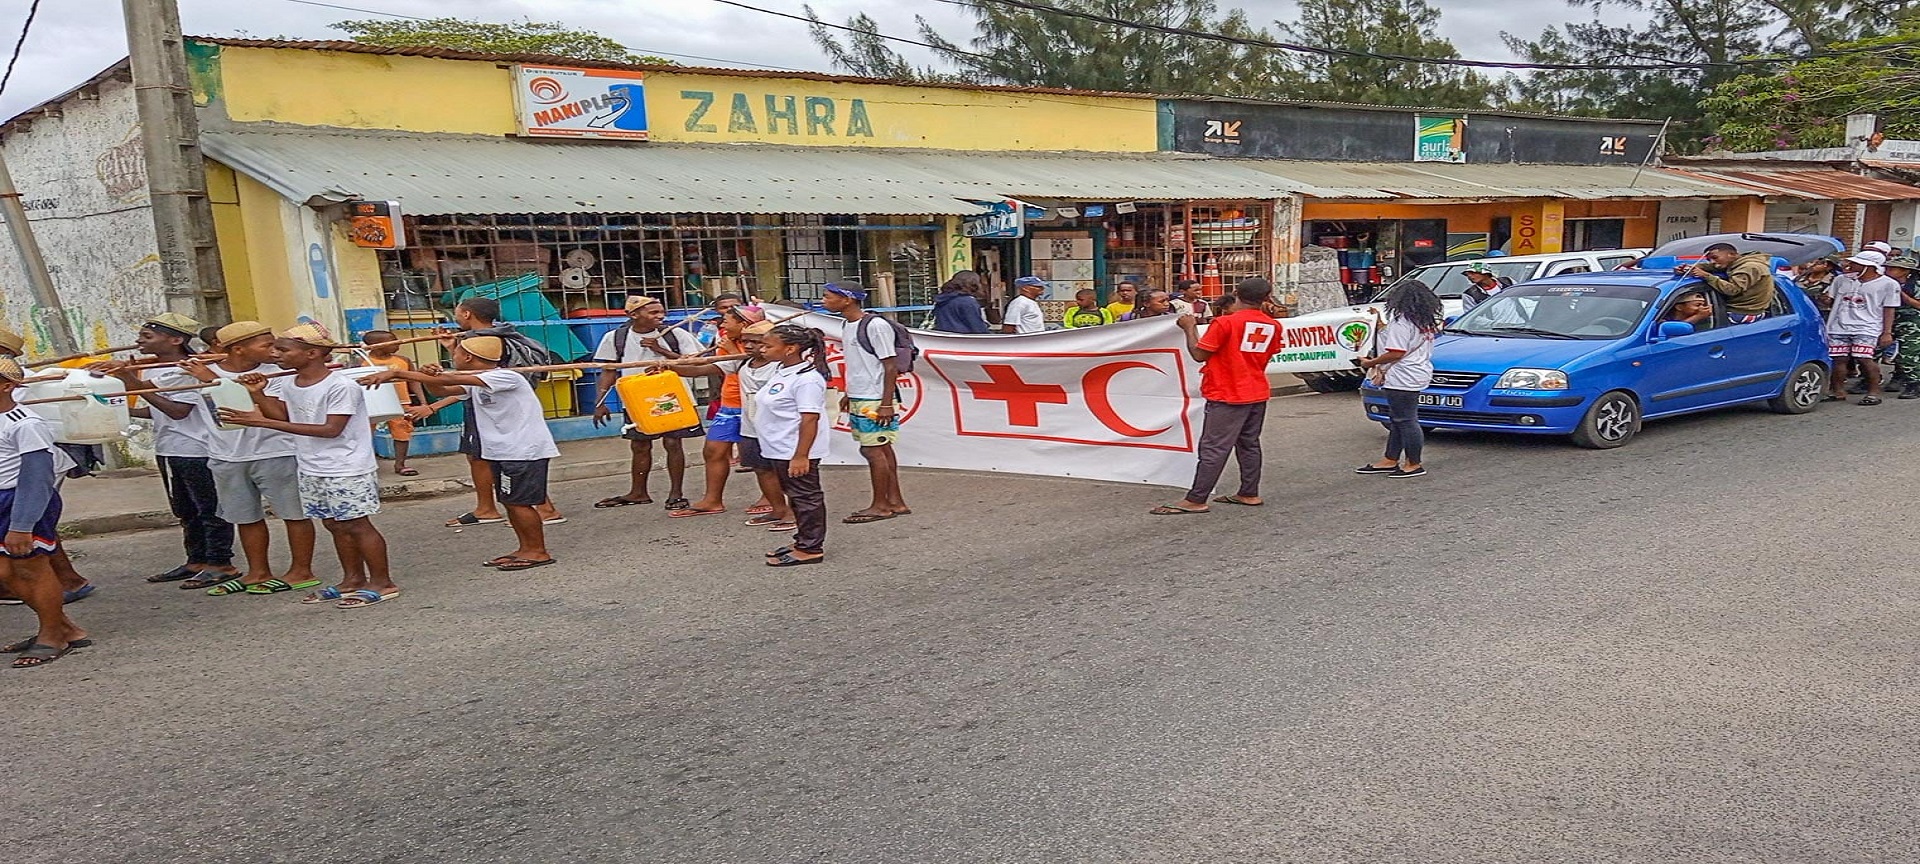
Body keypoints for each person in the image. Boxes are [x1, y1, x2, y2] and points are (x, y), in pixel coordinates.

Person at [218, 324, 397, 608]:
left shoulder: (340, 386)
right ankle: (352, 579)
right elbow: (285, 415)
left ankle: (382, 582)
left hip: (345, 466)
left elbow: (330, 430)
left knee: (357, 524)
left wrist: (262, 422)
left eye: (283, 349)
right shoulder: (291, 383)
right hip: (312, 465)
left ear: (312, 353)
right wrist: (260, 396)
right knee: (333, 524)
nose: (276, 354)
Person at [368, 335, 559, 571]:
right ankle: (525, 548)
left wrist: (397, 373)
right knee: (510, 501)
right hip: (503, 451)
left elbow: (452, 378)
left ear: (468, 357)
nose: (452, 356)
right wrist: (431, 378)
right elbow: (440, 390)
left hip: (522, 450)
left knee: (520, 503)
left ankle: (537, 551)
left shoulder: (505, 376)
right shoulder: (477, 380)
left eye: (455, 352)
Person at [178, 321, 320, 595]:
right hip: (226, 455)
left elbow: (278, 415)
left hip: (275, 451)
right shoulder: (199, 370)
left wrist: (214, 381)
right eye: (266, 345)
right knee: (245, 517)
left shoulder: (278, 373)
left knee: (294, 513)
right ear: (239, 349)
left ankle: (302, 570)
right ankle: (258, 572)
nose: (275, 350)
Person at [107, 313, 233, 586]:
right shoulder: (152, 367)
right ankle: (196, 560)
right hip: (169, 447)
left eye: (148, 336)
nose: (139, 340)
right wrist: (118, 412)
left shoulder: (186, 368)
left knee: (209, 510)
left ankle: (221, 562)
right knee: (185, 510)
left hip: (197, 449)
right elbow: (156, 411)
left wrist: (134, 385)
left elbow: (178, 411)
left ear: (176, 340)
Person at [1152, 277, 1284, 515]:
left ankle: (1196, 498)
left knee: (1214, 447)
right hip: (1256, 390)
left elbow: (1200, 355)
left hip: (1227, 392)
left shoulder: (1225, 323)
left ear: (1235, 293)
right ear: (1266, 298)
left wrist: (1189, 328)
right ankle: (1249, 492)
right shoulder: (1273, 325)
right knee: (1249, 444)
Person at [657, 320, 794, 532]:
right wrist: (670, 368)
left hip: (777, 427)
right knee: (761, 469)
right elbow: (702, 369)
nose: (749, 346)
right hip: (750, 426)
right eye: (745, 341)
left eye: (757, 342)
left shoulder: (782, 366)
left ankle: (793, 513)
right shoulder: (741, 362)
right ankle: (778, 509)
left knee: (785, 471)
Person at [443, 298, 565, 528]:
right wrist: (452, 348)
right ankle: (487, 508)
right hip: (486, 403)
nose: (456, 317)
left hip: (496, 408)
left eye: (457, 313)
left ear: (467, 314)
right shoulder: (503, 335)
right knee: (478, 456)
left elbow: (471, 376)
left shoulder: (484, 341)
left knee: (506, 462)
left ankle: (541, 509)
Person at [0, 357, 89, 667]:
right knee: (6, 574)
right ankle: (65, 627)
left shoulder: (25, 424)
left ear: (8, 385)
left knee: (32, 569)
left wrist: (22, 524)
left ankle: (52, 635)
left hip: (21, 500)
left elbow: (37, 477)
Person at [590, 295, 705, 510]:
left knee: (673, 443)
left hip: (672, 396)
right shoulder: (616, 337)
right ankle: (638, 492)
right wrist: (600, 401)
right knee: (640, 445)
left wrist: (660, 350)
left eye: (661, 312)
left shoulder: (675, 334)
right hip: (637, 399)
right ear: (634, 315)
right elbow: (609, 370)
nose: (660, 316)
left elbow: (695, 362)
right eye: (653, 313)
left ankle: (676, 494)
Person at [820, 282, 910, 523]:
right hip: (863, 395)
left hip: (875, 398)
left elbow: (889, 365)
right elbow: (860, 363)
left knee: (872, 450)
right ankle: (895, 501)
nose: (823, 301)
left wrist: (886, 403)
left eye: (828, 297)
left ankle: (881, 505)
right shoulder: (847, 324)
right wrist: (850, 393)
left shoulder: (875, 325)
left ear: (847, 299)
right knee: (881, 448)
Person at [668, 303, 762, 518]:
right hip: (729, 404)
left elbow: (750, 369)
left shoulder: (762, 344)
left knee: (758, 457)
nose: (723, 325)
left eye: (727, 321)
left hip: (754, 406)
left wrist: (731, 350)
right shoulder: (726, 343)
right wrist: (672, 367)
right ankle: (712, 500)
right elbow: (710, 368)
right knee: (713, 450)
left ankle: (771, 498)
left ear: (744, 324)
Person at [756, 324, 832, 566]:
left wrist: (801, 455)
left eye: (768, 346)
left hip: (795, 448)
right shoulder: (781, 370)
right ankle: (803, 539)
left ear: (790, 349)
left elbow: (810, 418)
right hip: (779, 446)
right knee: (795, 496)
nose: (762, 349)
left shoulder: (807, 379)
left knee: (806, 496)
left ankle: (811, 548)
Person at [1355, 280, 1443, 478]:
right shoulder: (1423, 321)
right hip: (1416, 371)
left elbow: (1396, 352)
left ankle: (1414, 463)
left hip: (1404, 375)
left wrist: (1371, 362)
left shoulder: (1402, 321)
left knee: (1406, 419)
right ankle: (1390, 459)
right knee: (1398, 419)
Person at [359, 330, 443, 477]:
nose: (398, 343)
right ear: (376, 346)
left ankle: (400, 464)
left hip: (401, 403)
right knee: (364, 434)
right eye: (393, 341)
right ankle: (365, 464)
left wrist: (423, 401)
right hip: (371, 403)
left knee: (402, 432)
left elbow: (414, 381)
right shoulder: (361, 362)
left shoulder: (403, 360)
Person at [1825, 250, 1901, 406]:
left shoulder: (1888, 284)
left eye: (1856, 263)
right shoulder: (1841, 280)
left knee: (1864, 358)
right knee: (1839, 359)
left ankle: (1873, 392)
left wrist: (1886, 332)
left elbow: (1889, 309)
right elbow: (1830, 301)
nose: (1850, 265)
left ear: (1869, 266)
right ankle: (1837, 390)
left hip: (1867, 327)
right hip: (1839, 326)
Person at [1687, 242, 1777, 324]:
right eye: (1709, 259)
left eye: (1715, 257)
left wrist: (1706, 276)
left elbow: (1733, 290)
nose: (1712, 262)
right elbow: (1715, 267)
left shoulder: (1749, 267)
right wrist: (1691, 268)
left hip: (1744, 313)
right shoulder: (1735, 263)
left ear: (1732, 255)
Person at [1883, 255, 1920, 399]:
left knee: (1909, 354)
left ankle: (1914, 384)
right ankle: (1869, 380)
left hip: (1911, 321)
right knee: (1873, 351)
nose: (1888, 270)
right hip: (1887, 319)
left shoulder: (1915, 284)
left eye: (1893, 268)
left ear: (1905, 271)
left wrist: (1902, 294)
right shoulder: (1883, 282)